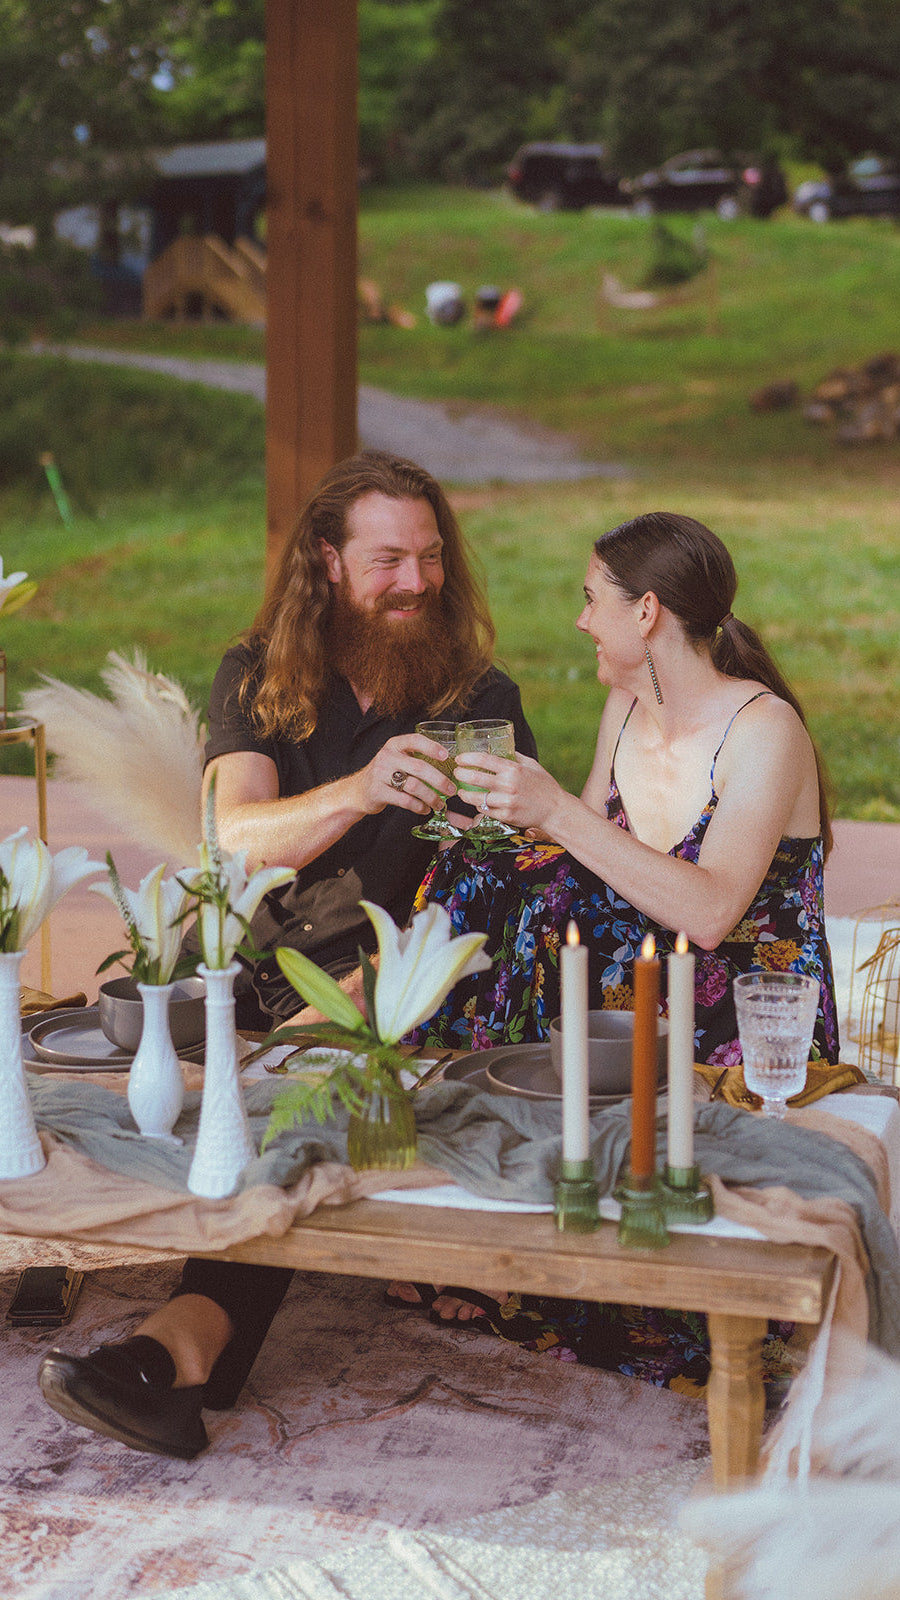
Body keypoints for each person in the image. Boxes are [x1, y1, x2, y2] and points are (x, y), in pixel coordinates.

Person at [37, 449, 536, 1459]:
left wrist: (367, 996)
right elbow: (232, 839)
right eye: (389, 559)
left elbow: (506, 883)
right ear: (328, 559)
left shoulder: (479, 695)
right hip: (235, 966)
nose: (416, 581)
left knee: (275, 1129)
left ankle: (169, 1355)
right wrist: (360, 788)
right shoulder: (261, 672)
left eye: (430, 556)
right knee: (81, 1077)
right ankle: (56, 1275)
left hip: (381, 990)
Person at [395, 509, 839, 1363]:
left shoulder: (764, 730)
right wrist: (497, 829)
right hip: (635, 982)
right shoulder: (626, 707)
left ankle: (551, 1240)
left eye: (591, 599)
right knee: (481, 880)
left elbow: (711, 913)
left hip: (740, 1016)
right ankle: (477, 1191)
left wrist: (555, 810)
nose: (579, 619)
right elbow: (588, 866)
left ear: (646, 612)